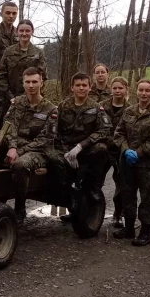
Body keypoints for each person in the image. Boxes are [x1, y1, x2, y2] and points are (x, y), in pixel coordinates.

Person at [0, 67, 57, 223]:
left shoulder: (51, 109)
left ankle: (20, 209)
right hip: (15, 146)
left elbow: (45, 139)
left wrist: (19, 151)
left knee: (20, 165)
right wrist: (12, 147)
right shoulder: (17, 102)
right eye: (27, 82)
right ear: (23, 83)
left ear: (41, 82)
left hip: (37, 151)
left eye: (35, 82)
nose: (31, 86)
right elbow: (9, 126)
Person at [49, 72, 112, 221]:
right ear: (72, 88)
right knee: (51, 157)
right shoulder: (63, 106)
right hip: (66, 149)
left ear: (90, 88)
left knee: (101, 149)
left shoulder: (96, 107)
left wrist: (80, 147)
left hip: (85, 148)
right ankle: (67, 195)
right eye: (78, 85)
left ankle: (93, 187)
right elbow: (54, 131)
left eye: (84, 85)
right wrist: (66, 152)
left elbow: (104, 130)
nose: (81, 88)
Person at [113, 79, 150, 246]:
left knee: (147, 198)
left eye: (147, 91)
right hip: (127, 162)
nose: (144, 93)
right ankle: (129, 228)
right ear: (136, 91)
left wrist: (138, 153)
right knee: (127, 195)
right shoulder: (128, 111)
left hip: (147, 164)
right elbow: (118, 134)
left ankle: (144, 232)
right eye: (141, 90)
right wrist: (125, 149)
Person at [0, 19, 47, 115]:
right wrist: (10, 97)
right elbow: (0, 76)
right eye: (21, 31)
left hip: (32, 99)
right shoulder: (9, 51)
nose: (24, 34)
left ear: (32, 32)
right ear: (17, 32)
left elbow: (42, 76)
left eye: (27, 31)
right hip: (9, 100)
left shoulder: (38, 53)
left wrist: (25, 97)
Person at [100, 76, 129, 229]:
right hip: (102, 150)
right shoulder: (101, 107)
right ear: (110, 90)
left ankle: (119, 213)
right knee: (95, 180)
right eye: (115, 88)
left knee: (121, 183)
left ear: (126, 90)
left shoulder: (130, 109)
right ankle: (91, 211)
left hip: (120, 151)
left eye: (121, 88)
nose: (117, 91)